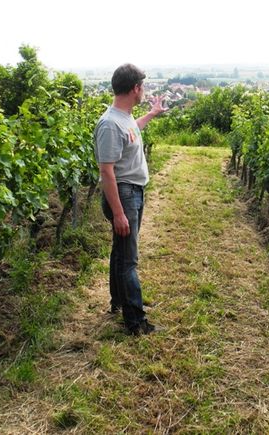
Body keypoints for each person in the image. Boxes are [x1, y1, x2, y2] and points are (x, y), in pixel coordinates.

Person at [94, 63, 166, 335]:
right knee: (129, 260)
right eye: (143, 87)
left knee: (120, 253)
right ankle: (135, 322)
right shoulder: (110, 123)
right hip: (124, 195)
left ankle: (118, 302)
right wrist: (119, 212)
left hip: (131, 193)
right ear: (135, 88)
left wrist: (151, 114)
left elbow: (132, 131)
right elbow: (106, 171)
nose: (144, 91)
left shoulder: (123, 118)